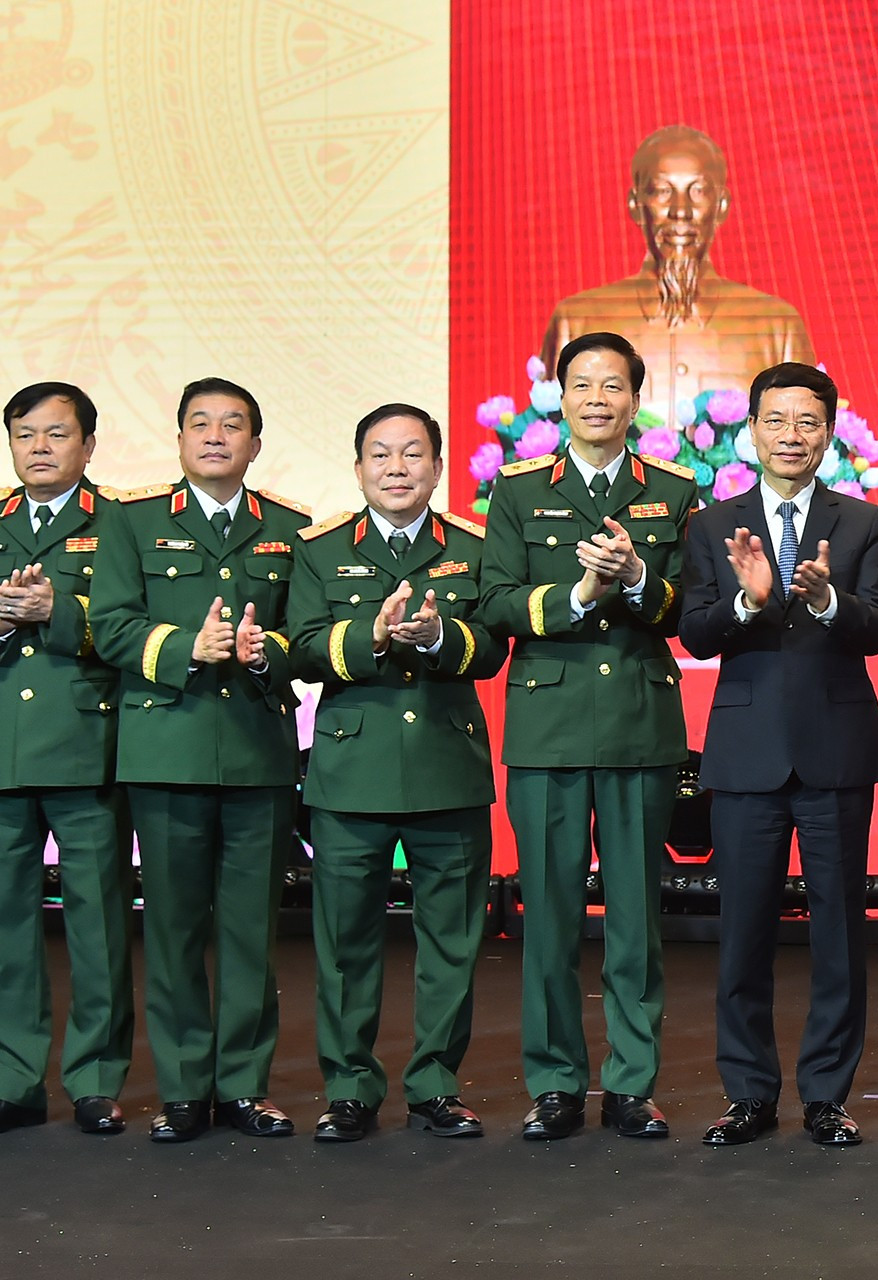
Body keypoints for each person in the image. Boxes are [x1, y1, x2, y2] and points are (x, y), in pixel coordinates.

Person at [479, 331, 697, 1141]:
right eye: (582, 384)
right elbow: (496, 602)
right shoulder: (516, 490)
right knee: (552, 921)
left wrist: (640, 580)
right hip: (548, 727)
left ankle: (632, 1083)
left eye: (614, 385)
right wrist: (575, 593)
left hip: (641, 727)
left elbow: (694, 610)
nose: (598, 398)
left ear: (637, 401)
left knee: (636, 919)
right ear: (559, 398)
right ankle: (556, 1082)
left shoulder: (674, 492)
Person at [680, 362, 878, 1148]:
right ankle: (747, 1092)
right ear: (752, 431)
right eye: (776, 421)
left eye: (807, 422)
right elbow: (693, 631)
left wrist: (826, 599)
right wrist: (749, 601)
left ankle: (827, 1095)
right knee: (742, 930)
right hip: (745, 754)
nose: (792, 436)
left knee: (840, 931)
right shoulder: (713, 525)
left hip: (836, 749)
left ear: (829, 432)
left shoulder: (863, 522)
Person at [91, 377, 311, 1142]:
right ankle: (184, 1089)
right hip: (166, 749)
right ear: (179, 439)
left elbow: (305, 640)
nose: (215, 436)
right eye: (199, 424)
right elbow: (110, 627)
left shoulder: (291, 527)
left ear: (255, 443)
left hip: (257, 753)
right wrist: (189, 647)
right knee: (176, 928)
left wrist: (259, 653)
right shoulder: (131, 522)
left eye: (233, 425)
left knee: (253, 931)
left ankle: (245, 1086)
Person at [289, 404, 505, 1142]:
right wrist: (370, 635)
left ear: (437, 469)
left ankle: (436, 1085)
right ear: (358, 470)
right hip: (351, 770)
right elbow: (303, 648)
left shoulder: (472, 545)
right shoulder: (317, 550)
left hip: (448, 766)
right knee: (346, 942)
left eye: (413, 455)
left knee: (452, 940)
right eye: (380, 455)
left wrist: (443, 634)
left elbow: (494, 647)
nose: (396, 468)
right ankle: (348, 1087)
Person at [0, 382, 133, 1136]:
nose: (39, 449)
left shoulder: (119, 523)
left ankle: (94, 1079)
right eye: (25, 435)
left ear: (88, 444)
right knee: (6, 924)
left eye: (56, 435)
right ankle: (12, 1078)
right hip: (4, 750)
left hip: (91, 746)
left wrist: (60, 615)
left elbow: (129, 630)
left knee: (101, 923)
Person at [539, 125, 815, 410]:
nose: (680, 211)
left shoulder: (777, 328)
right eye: (661, 191)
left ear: (721, 206)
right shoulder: (577, 321)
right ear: (636, 204)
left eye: (698, 191)